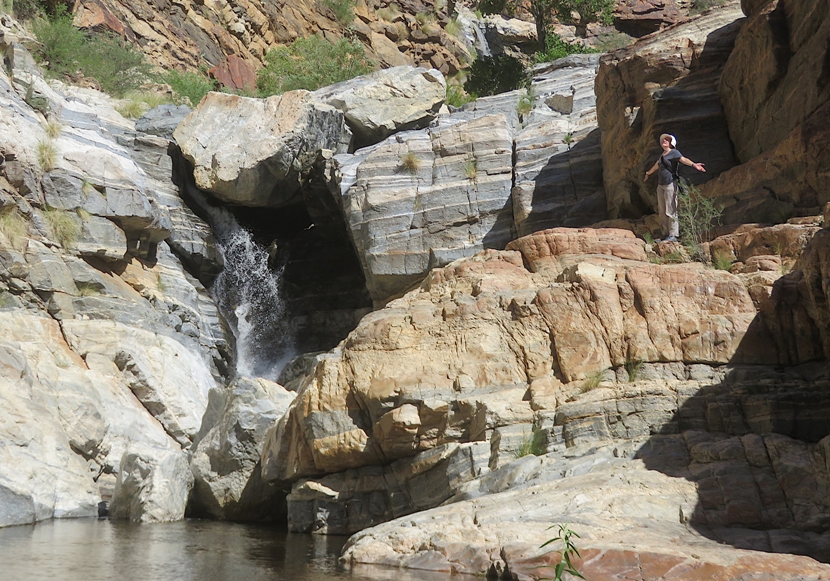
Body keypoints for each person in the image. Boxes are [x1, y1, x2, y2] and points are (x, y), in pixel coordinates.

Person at [643, 134, 706, 242]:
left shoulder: (674, 153)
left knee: (671, 209)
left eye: (667, 139)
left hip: (670, 184)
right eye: (663, 139)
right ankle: (665, 234)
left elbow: (683, 159)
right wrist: (648, 173)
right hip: (661, 185)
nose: (664, 140)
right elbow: (657, 165)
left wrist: (694, 165)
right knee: (662, 211)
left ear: (672, 143)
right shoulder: (662, 155)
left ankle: (673, 234)